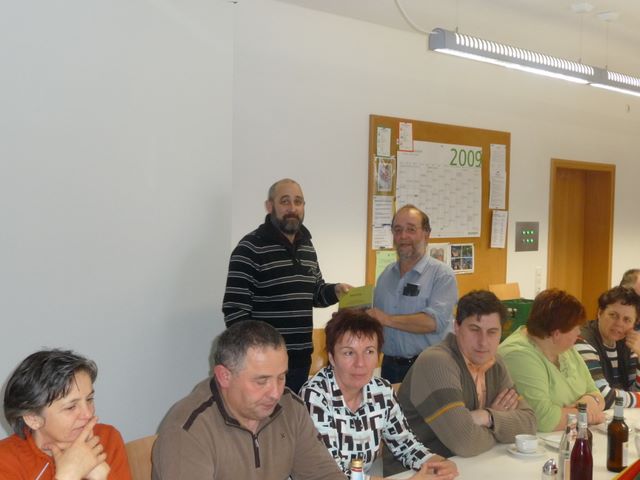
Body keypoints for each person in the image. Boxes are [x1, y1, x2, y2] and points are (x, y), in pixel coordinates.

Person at [152, 320, 347, 480]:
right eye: (261, 381)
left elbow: (323, 474)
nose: (275, 393)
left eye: (281, 377)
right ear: (224, 376)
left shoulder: (290, 407)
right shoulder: (187, 431)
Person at [386, 290, 536, 474]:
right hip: (416, 472)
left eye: (492, 332)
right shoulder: (436, 362)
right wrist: (500, 426)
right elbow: (465, 443)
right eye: (474, 330)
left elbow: (529, 423)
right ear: (456, 327)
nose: (483, 342)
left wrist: (487, 417)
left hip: (471, 464)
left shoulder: (495, 362)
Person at [222, 178, 351, 393]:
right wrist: (259, 357)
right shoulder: (249, 248)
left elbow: (314, 293)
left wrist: (335, 290)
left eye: (298, 202)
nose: (292, 208)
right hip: (265, 367)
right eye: (285, 201)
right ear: (269, 206)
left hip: (300, 362)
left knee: (294, 415)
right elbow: (235, 312)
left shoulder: (307, 246)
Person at [299, 309, 458, 480]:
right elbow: (331, 473)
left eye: (369, 351)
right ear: (331, 357)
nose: (360, 363)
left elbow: (406, 444)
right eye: (349, 353)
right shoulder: (314, 396)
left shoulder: (381, 391)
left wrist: (438, 463)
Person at [0, 349, 132, 480]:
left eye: (89, 399)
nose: (88, 414)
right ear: (32, 418)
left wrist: (102, 477)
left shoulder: (107, 439)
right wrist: (69, 475)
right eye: (71, 407)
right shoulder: (5, 461)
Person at [366, 205, 458, 383]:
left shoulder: (442, 275)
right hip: (390, 367)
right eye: (398, 230)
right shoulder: (386, 275)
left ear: (426, 234)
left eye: (411, 229)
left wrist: (388, 319)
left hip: (430, 367)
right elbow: (375, 319)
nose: (403, 236)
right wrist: (352, 314)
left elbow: (433, 322)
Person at [498, 288, 606, 432]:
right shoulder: (518, 355)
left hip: (568, 436)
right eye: (576, 328)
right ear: (557, 333)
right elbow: (543, 419)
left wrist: (591, 400)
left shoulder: (565, 348)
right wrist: (586, 414)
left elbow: (596, 393)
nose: (579, 332)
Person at [574, 286, 640, 408]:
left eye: (627, 320)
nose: (619, 324)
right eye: (613, 315)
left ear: (634, 324)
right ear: (600, 313)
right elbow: (604, 397)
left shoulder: (629, 343)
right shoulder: (581, 341)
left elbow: (635, 389)